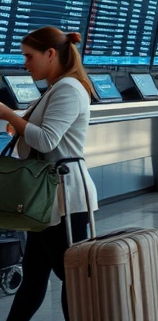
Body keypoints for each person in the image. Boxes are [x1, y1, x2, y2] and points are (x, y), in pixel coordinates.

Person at [3, 28, 97, 321]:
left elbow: (46, 140)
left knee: (71, 278)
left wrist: (9, 115)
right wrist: (19, 124)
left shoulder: (69, 89)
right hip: (49, 198)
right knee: (34, 275)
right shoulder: (58, 87)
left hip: (65, 199)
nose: (25, 64)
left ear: (51, 54)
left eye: (29, 56)